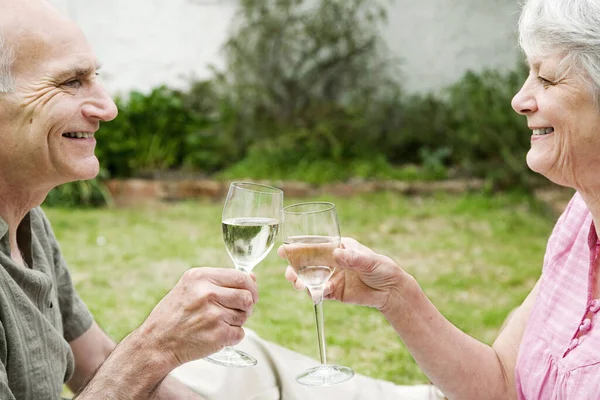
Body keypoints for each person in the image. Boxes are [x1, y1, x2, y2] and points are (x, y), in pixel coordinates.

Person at [0, 0, 444, 399]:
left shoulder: (29, 222)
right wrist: (154, 346)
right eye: (71, 82)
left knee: (246, 361)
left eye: (96, 77)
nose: (107, 106)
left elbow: (95, 361)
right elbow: (127, 368)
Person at [282, 0, 600, 398]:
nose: (520, 100)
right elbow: (499, 384)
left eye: (548, 80)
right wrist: (394, 295)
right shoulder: (578, 223)